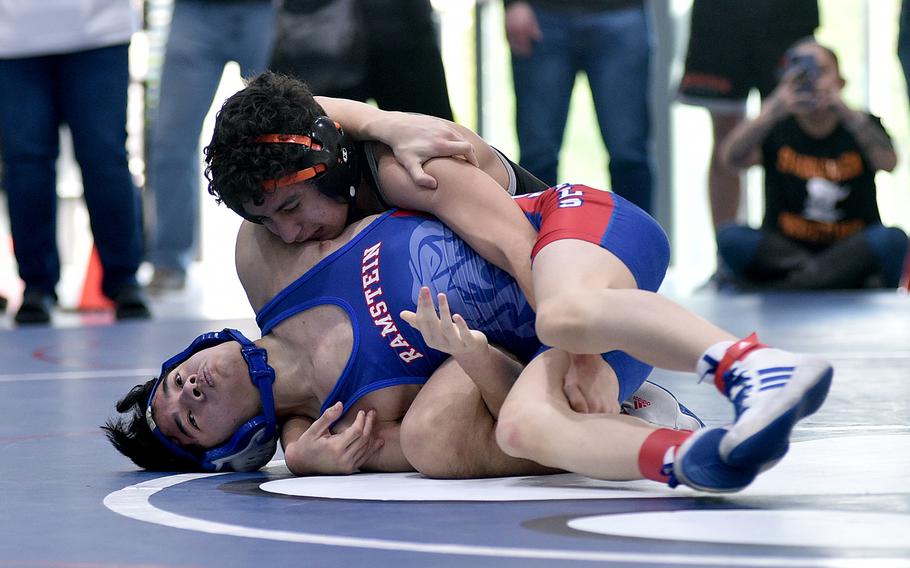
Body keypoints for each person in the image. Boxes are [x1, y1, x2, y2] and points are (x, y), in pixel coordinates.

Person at [105, 186, 830, 492]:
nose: (190, 390)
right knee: (496, 427)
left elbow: (412, 151)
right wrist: (475, 355)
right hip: (588, 351)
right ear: (233, 451)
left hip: (564, 231)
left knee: (562, 314)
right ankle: (692, 456)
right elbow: (494, 429)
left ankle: (755, 367)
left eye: (175, 382)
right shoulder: (345, 436)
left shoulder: (272, 253)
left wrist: (372, 117)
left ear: (190, 351)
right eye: (190, 419)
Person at [0, 0, 150, 324]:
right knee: (26, 164)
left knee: (105, 159)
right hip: (13, 36)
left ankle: (124, 279)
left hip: (100, 30)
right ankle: (36, 284)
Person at [718, 39, 908, 290]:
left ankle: (790, 285)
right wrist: (773, 108)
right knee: (731, 236)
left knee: (892, 239)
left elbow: (889, 162)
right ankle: (825, 280)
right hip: (785, 251)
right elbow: (731, 160)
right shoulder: (777, 126)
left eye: (821, 71)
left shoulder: (861, 124)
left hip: (851, 249)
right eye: (800, 71)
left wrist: (844, 110)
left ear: (840, 81)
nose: (811, 79)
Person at [145, 0, 277, 293]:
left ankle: (290, 246)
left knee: (281, 128)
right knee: (170, 141)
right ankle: (168, 259)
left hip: (265, 9)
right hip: (195, 11)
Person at [677, 0, 819, 234]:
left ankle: (795, 246)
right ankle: (727, 254)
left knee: (794, 129)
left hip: (789, 17)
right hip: (721, 18)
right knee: (725, 135)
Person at [503, 0, 655, 213]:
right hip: (542, 16)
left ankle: (638, 245)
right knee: (538, 155)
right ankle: (529, 243)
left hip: (622, 12)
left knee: (629, 155)